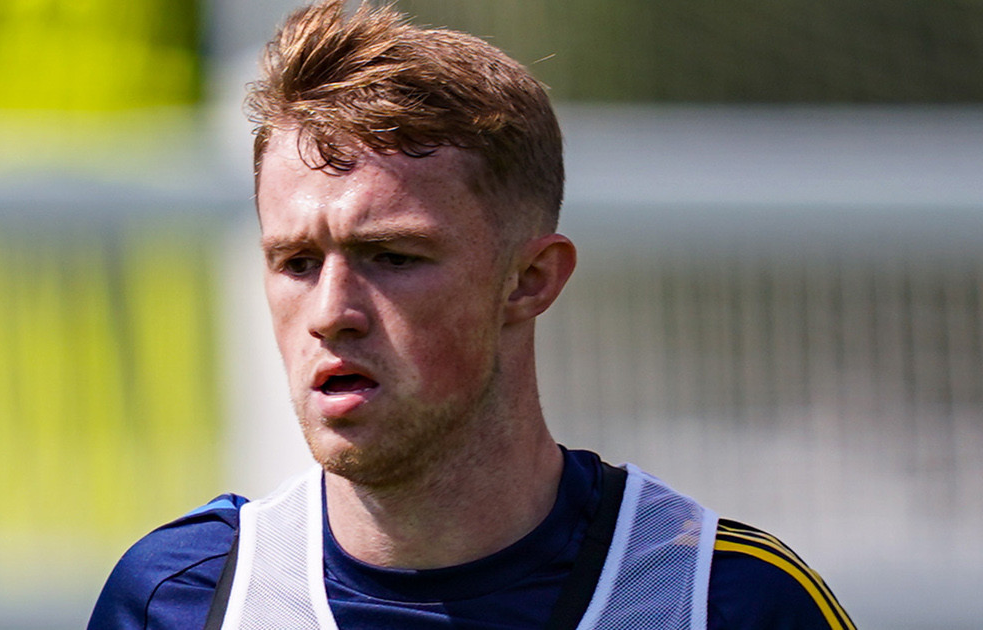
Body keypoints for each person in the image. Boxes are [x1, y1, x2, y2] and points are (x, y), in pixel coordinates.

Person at [88, 1, 856, 628]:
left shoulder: (726, 604)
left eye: (392, 256)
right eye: (296, 262)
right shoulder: (181, 601)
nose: (330, 313)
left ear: (529, 280)